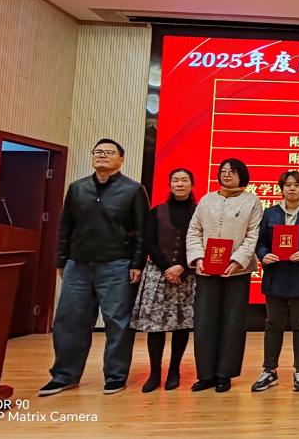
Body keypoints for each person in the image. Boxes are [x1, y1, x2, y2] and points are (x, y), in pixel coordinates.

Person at [39, 138, 149, 397]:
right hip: (78, 265)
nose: (102, 155)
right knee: (70, 321)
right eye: (98, 152)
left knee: (117, 323)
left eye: (109, 152)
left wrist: (137, 263)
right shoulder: (77, 188)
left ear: (121, 159)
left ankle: (115, 376)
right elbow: (65, 227)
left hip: (117, 265)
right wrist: (61, 260)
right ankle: (64, 375)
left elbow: (142, 231)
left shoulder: (133, 190)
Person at [185, 158, 263, 393]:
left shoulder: (251, 201)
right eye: (223, 171)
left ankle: (224, 374)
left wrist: (237, 260)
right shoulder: (207, 199)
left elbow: (253, 235)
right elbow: (194, 230)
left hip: (237, 271)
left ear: (242, 175)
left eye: (232, 171)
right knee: (205, 321)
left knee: (233, 322)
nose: (226, 175)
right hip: (206, 270)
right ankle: (205, 374)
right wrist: (198, 258)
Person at [251, 171, 299, 392]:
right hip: (276, 274)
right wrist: (263, 255)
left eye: (297, 185)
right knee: (273, 323)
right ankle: (269, 370)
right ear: (281, 188)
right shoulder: (270, 213)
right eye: (288, 185)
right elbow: (260, 242)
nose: (292, 189)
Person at [132, 168, 197, 393]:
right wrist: (167, 268)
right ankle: (154, 373)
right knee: (156, 327)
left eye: (184, 180)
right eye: (175, 180)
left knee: (182, 325)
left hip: (187, 274)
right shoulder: (156, 212)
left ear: (192, 185)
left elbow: (202, 241)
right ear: (170, 185)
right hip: (158, 274)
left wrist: (182, 267)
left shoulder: (200, 211)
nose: (180, 184)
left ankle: (174, 371)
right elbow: (149, 242)